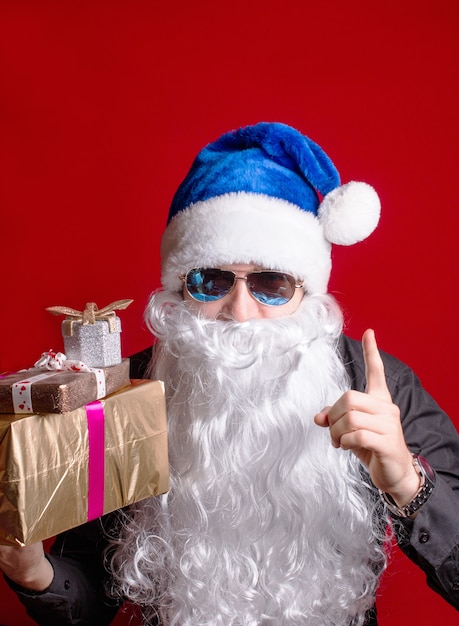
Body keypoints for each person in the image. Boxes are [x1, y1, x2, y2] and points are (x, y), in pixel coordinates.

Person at [1, 122, 459, 626]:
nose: (239, 311)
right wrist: (35, 574)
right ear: (178, 291)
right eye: (210, 280)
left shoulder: (379, 391)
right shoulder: (127, 392)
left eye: (272, 284)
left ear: (309, 292)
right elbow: (88, 597)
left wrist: (409, 486)